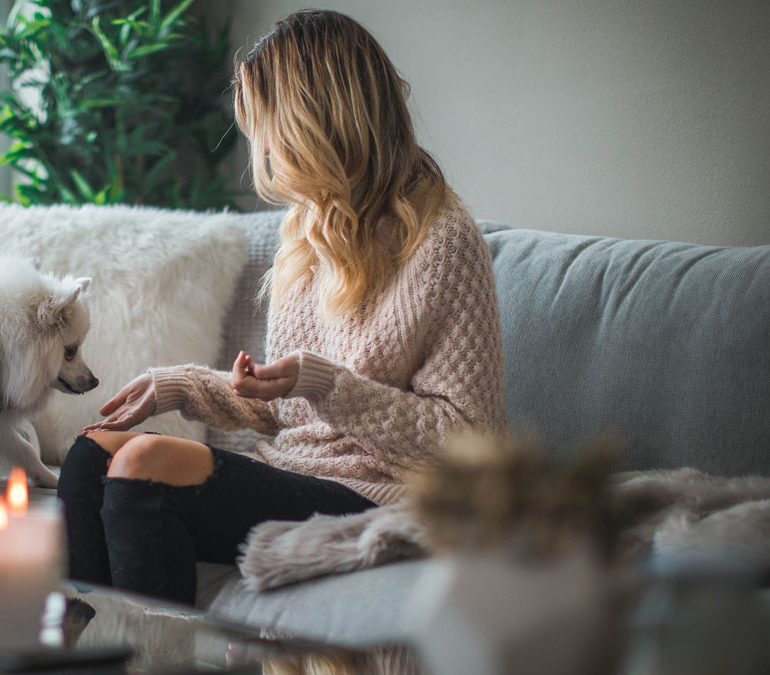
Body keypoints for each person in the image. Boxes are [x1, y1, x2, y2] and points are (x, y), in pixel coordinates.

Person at [56, 9, 506, 605]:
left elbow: (470, 442)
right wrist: (182, 386)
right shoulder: (307, 229)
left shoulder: (442, 241)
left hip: (385, 493)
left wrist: (327, 385)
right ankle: (85, 669)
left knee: (145, 464)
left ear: (314, 122)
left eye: (266, 125)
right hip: (292, 470)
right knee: (90, 455)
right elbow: (287, 410)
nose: (261, 146)